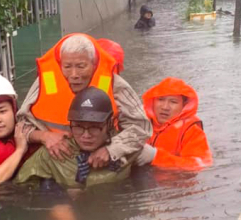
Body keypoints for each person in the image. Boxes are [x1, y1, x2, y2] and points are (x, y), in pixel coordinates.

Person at [17, 33, 151, 170]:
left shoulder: (114, 83)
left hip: (103, 149)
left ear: (93, 65)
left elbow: (142, 128)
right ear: (60, 65)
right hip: (58, 154)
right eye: (67, 67)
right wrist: (44, 136)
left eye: (81, 66)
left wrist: (112, 149)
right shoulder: (45, 82)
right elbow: (20, 125)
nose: (74, 75)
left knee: (149, 154)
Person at [15, 87, 139, 188]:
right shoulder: (54, 153)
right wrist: (53, 195)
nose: (86, 135)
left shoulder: (129, 149)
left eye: (94, 127)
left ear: (109, 124)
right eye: (78, 127)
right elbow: (20, 189)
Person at [137, 77, 212, 170]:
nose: (165, 107)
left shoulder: (192, 131)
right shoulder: (139, 121)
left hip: (172, 182)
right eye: (160, 99)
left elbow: (201, 164)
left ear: (183, 106)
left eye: (173, 102)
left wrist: (156, 157)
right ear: (153, 101)